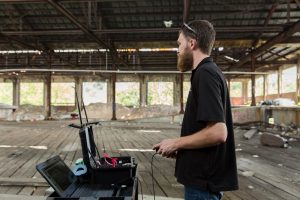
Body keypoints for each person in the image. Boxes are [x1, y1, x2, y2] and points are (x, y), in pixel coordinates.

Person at [153, 20, 238, 200]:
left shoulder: (205, 73)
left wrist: (177, 143)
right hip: (202, 181)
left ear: (192, 43)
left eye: (179, 43)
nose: (177, 49)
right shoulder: (207, 72)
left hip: (202, 186)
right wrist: (184, 149)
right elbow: (205, 129)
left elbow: (218, 132)